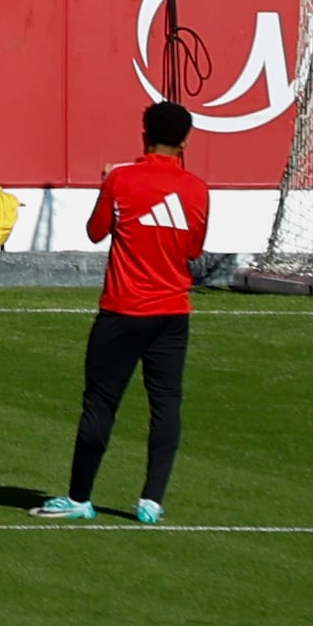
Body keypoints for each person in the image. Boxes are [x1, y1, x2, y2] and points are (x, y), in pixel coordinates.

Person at [44, 98, 205, 523]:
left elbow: (96, 231)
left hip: (123, 309)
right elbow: (192, 249)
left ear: (144, 135)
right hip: (173, 313)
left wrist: (109, 187)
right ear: (186, 140)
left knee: (100, 402)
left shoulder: (122, 180)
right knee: (166, 403)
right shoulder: (196, 190)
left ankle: (80, 498)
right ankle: (151, 500)